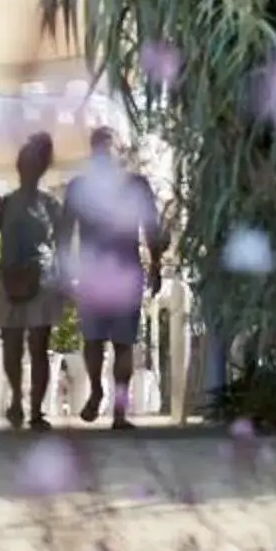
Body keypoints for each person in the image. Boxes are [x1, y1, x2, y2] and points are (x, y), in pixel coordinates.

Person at [63, 125, 164, 432]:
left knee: (105, 341)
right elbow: (152, 230)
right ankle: (109, 402)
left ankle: (108, 401)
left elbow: (65, 234)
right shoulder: (129, 184)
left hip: (104, 270)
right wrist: (156, 265)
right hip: (117, 270)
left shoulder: (85, 186)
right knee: (112, 342)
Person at [0, 131, 65, 431]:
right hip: (10, 279)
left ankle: (36, 410)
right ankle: (16, 399)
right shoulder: (2, 204)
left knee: (39, 345)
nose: (27, 169)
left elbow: (62, 245)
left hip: (42, 280)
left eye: (33, 164)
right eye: (24, 164)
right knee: (11, 344)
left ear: (40, 169)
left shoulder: (51, 205)